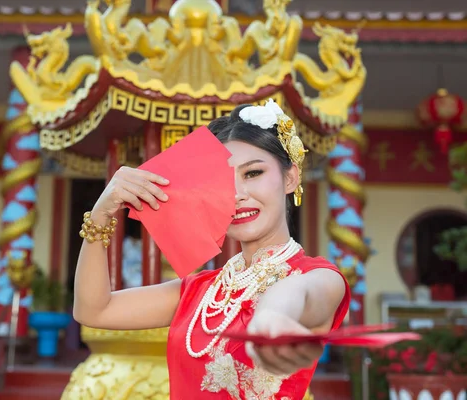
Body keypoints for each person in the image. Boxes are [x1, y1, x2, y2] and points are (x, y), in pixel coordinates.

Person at [73, 99, 350, 399]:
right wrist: (101, 213)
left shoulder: (321, 277)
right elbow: (93, 310)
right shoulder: (200, 292)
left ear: (290, 177)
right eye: (221, 183)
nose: (237, 195)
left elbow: (300, 293)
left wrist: (272, 314)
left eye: (253, 173)